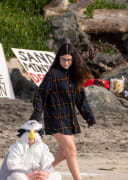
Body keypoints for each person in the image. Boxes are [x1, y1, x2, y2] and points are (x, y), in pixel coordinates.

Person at [29, 43, 96, 180]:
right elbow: (40, 95)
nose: (66, 63)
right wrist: (35, 118)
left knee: (64, 153)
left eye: (69, 60)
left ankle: (39, 173)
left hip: (69, 118)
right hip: (54, 118)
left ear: (73, 60)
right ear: (58, 58)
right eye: (63, 59)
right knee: (71, 150)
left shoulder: (75, 76)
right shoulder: (53, 74)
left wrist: (88, 116)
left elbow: (80, 99)